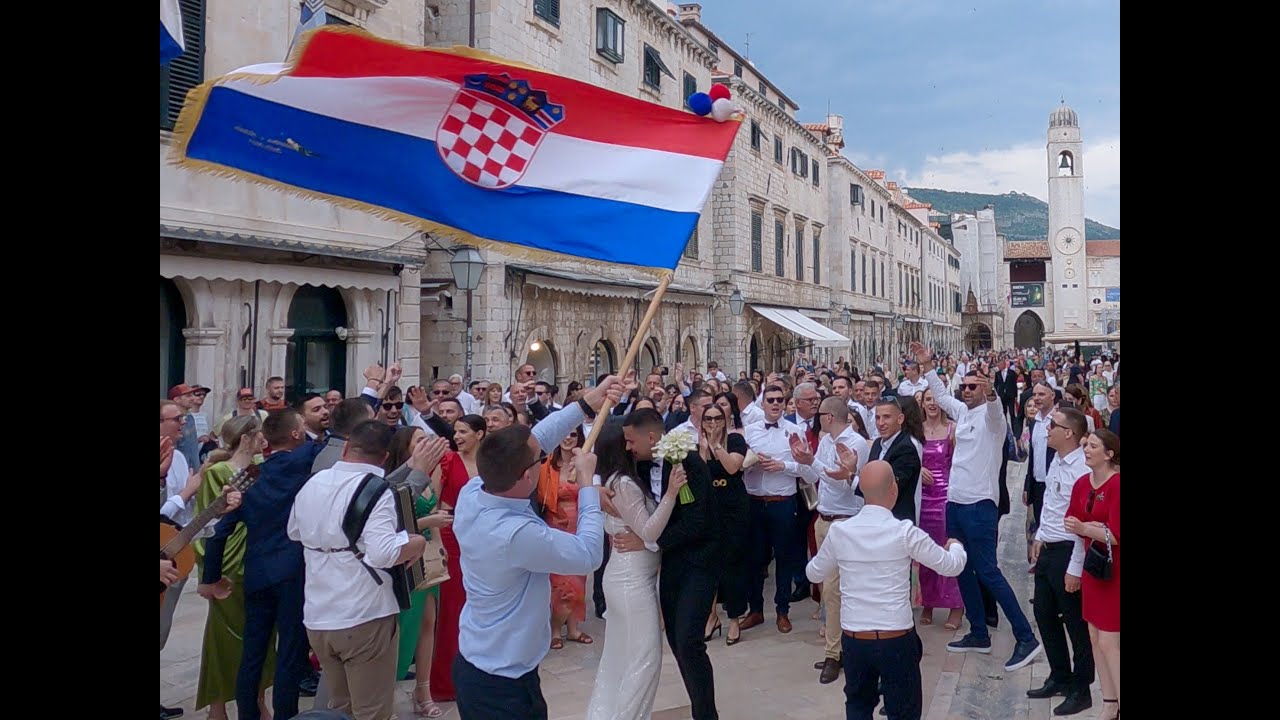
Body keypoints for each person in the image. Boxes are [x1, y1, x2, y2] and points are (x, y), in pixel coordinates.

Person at [450, 377, 622, 719]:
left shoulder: (475, 491)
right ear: (525, 478)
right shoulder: (515, 533)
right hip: (500, 682)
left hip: (491, 666)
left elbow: (534, 441)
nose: (541, 460)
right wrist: (586, 483)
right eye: (536, 463)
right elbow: (588, 553)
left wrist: (587, 404)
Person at [909, 342, 1042, 673]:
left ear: (984, 389)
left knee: (988, 571)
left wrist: (992, 391)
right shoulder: (963, 412)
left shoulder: (992, 419)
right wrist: (927, 365)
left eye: (973, 387)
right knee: (961, 568)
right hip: (955, 503)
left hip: (980, 506)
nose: (967, 391)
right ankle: (978, 632)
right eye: (965, 386)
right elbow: (940, 397)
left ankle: (1026, 637)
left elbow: (997, 413)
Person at [288, 421, 429, 720]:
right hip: (364, 613)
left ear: (348, 447)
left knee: (340, 709)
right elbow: (384, 553)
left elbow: (294, 531)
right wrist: (413, 542)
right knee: (372, 712)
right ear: (384, 458)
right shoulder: (378, 492)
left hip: (318, 614)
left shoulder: (313, 483)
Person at [806, 461, 967, 720]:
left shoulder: (840, 532)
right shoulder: (904, 532)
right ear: (893, 489)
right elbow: (951, 566)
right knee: (903, 711)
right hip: (895, 637)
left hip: (855, 638)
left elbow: (813, 573)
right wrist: (956, 545)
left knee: (857, 706)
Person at [617, 408, 722, 720]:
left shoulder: (688, 462)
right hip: (673, 562)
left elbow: (697, 521)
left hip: (700, 561)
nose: (628, 447)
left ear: (651, 437)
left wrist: (650, 541)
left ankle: (706, 715)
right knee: (677, 640)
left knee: (690, 640)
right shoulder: (642, 466)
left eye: (631, 440)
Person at [585, 419, 682, 720]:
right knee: (644, 658)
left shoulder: (617, 480)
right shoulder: (622, 484)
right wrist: (671, 493)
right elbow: (650, 531)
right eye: (625, 441)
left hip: (628, 577)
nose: (630, 445)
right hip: (630, 582)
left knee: (621, 657)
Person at [1027, 408, 1094, 716]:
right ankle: (1059, 675)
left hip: (1069, 550)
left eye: (1054, 425)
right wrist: (1039, 536)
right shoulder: (1056, 460)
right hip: (1049, 544)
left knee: (1075, 623)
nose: (1048, 429)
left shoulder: (1083, 469)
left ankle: (1082, 688)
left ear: (1070, 433)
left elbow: (1081, 521)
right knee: (1043, 612)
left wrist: (1075, 568)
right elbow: (1052, 505)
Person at [1066, 429, 1121, 720]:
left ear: (1109, 454)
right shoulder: (1081, 484)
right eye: (1085, 445)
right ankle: (1109, 701)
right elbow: (1074, 516)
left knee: (1110, 640)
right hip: (1093, 567)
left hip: (1115, 571)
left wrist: (1086, 529)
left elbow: (1116, 533)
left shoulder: (1117, 485)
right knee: (1094, 634)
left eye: (1093, 446)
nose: (1086, 450)